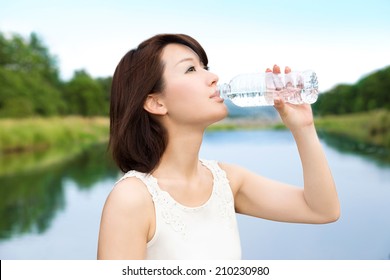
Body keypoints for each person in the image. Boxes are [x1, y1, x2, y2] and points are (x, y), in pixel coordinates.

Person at [97, 34, 340, 260]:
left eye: (206, 67)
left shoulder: (227, 181)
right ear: (156, 102)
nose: (213, 78)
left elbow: (322, 210)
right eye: (191, 69)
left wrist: (304, 128)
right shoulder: (131, 199)